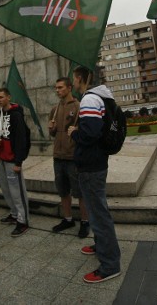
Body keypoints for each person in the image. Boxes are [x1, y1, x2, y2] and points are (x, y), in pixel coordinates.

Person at [67, 66, 121, 284]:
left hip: (90, 165)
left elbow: (90, 133)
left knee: (98, 214)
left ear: (80, 79)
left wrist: (74, 132)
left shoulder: (90, 99)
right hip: (97, 162)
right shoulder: (102, 96)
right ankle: (101, 246)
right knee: (97, 208)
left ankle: (110, 265)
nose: (74, 83)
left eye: (74, 79)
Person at [48, 77, 90, 238]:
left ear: (69, 88)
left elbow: (85, 132)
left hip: (73, 157)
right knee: (63, 190)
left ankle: (85, 221)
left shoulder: (79, 107)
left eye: (60, 87)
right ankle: (68, 219)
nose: (57, 90)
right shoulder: (55, 108)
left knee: (79, 192)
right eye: (56, 88)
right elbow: (52, 133)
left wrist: (76, 130)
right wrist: (51, 129)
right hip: (58, 156)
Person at [0, 87, 30, 237]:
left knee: (17, 191)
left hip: (12, 160)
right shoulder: (0, 113)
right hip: (2, 158)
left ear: (8, 97)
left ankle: (23, 220)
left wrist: (18, 162)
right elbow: (0, 134)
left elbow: (22, 139)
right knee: (7, 190)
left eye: (1, 97)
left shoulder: (16, 115)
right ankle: (14, 214)